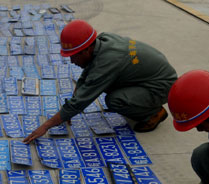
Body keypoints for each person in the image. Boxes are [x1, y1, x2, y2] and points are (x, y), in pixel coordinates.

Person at [23, 20, 177, 144]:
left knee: (115, 100)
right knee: (107, 85)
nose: (71, 60)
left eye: (74, 55)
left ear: (87, 50)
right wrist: (72, 102)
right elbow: (87, 74)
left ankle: (154, 113)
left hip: (161, 86)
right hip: (147, 77)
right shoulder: (101, 41)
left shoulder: (107, 62)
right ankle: (141, 101)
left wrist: (45, 126)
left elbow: (81, 101)